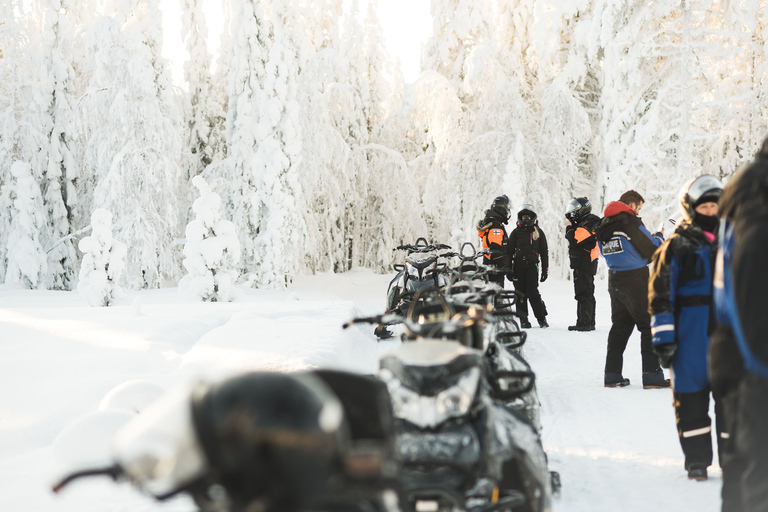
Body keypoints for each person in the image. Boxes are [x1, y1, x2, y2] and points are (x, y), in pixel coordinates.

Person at [648, 175, 725, 481]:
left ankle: (734, 460)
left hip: (728, 341)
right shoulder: (675, 246)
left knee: (733, 404)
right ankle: (697, 460)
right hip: (689, 341)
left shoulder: (732, 242)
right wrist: (664, 340)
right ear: (691, 208)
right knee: (691, 403)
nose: (710, 211)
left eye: (714, 206)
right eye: (704, 206)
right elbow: (660, 297)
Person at [711, 139, 768, 512]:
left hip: (739, 363)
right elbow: (753, 304)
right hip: (755, 376)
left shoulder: (751, 194)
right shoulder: (759, 208)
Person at [595, 190, 668, 388]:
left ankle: (612, 375)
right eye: (639, 208)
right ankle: (652, 377)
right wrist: (660, 238)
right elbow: (652, 251)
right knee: (649, 325)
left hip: (615, 279)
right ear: (633, 205)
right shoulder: (631, 221)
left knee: (620, 326)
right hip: (636, 280)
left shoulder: (603, 225)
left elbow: (610, 251)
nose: (638, 212)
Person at [508, 203, 549, 329]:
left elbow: (544, 252)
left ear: (533, 218)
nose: (526, 219)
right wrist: (509, 269)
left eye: (528, 217)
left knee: (533, 293)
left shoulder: (539, 233)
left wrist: (545, 270)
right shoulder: (515, 233)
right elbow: (509, 252)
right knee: (520, 294)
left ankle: (541, 318)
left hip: (532, 267)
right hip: (518, 267)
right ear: (520, 217)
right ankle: (523, 319)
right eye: (524, 217)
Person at [565, 197, 601, 331]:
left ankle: (585, 323)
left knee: (584, 293)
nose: (572, 213)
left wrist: (568, 228)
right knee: (585, 292)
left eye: (575, 209)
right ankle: (586, 322)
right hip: (584, 263)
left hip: (584, 263)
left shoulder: (589, 223)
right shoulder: (585, 222)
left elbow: (575, 240)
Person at [477, 195, 511, 287]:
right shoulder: (496, 227)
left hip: (489, 265)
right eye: (507, 208)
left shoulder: (491, 223)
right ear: (501, 209)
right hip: (495, 269)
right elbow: (495, 249)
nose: (508, 211)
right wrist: (505, 266)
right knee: (496, 296)